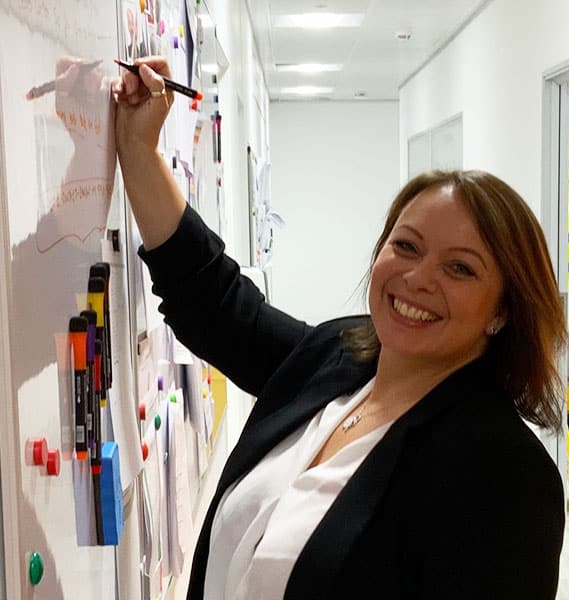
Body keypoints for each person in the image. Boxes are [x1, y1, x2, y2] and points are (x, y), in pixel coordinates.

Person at [113, 57, 567, 599]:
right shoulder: (336, 356)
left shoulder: (505, 474)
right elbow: (215, 302)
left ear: (502, 311)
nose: (417, 278)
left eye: (460, 268)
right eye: (406, 246)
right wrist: (138, 151)